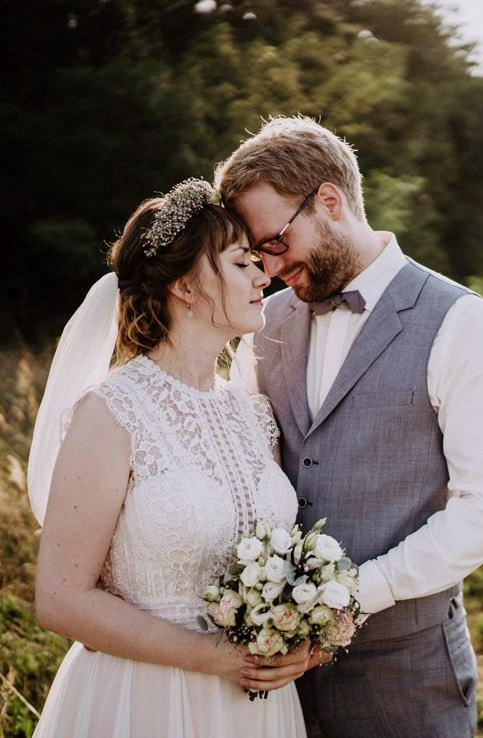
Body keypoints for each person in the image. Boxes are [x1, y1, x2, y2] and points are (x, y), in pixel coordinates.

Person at [215, 117, 483, 737]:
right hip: (273, 683)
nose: (269, 269)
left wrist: (355, 594)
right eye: (255, 253)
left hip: (405, 674)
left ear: (329, 200)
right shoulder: (260, 324)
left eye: (275, 241)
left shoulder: (459, 320)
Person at [26, 178, 310, 737]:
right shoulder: (111, 412)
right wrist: (212, 656)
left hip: (255, 707)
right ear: (185, 286)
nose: (263, 277)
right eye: (241, 263)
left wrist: (295, 633)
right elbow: (60, 599)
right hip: (145, 699)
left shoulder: (254, 413)